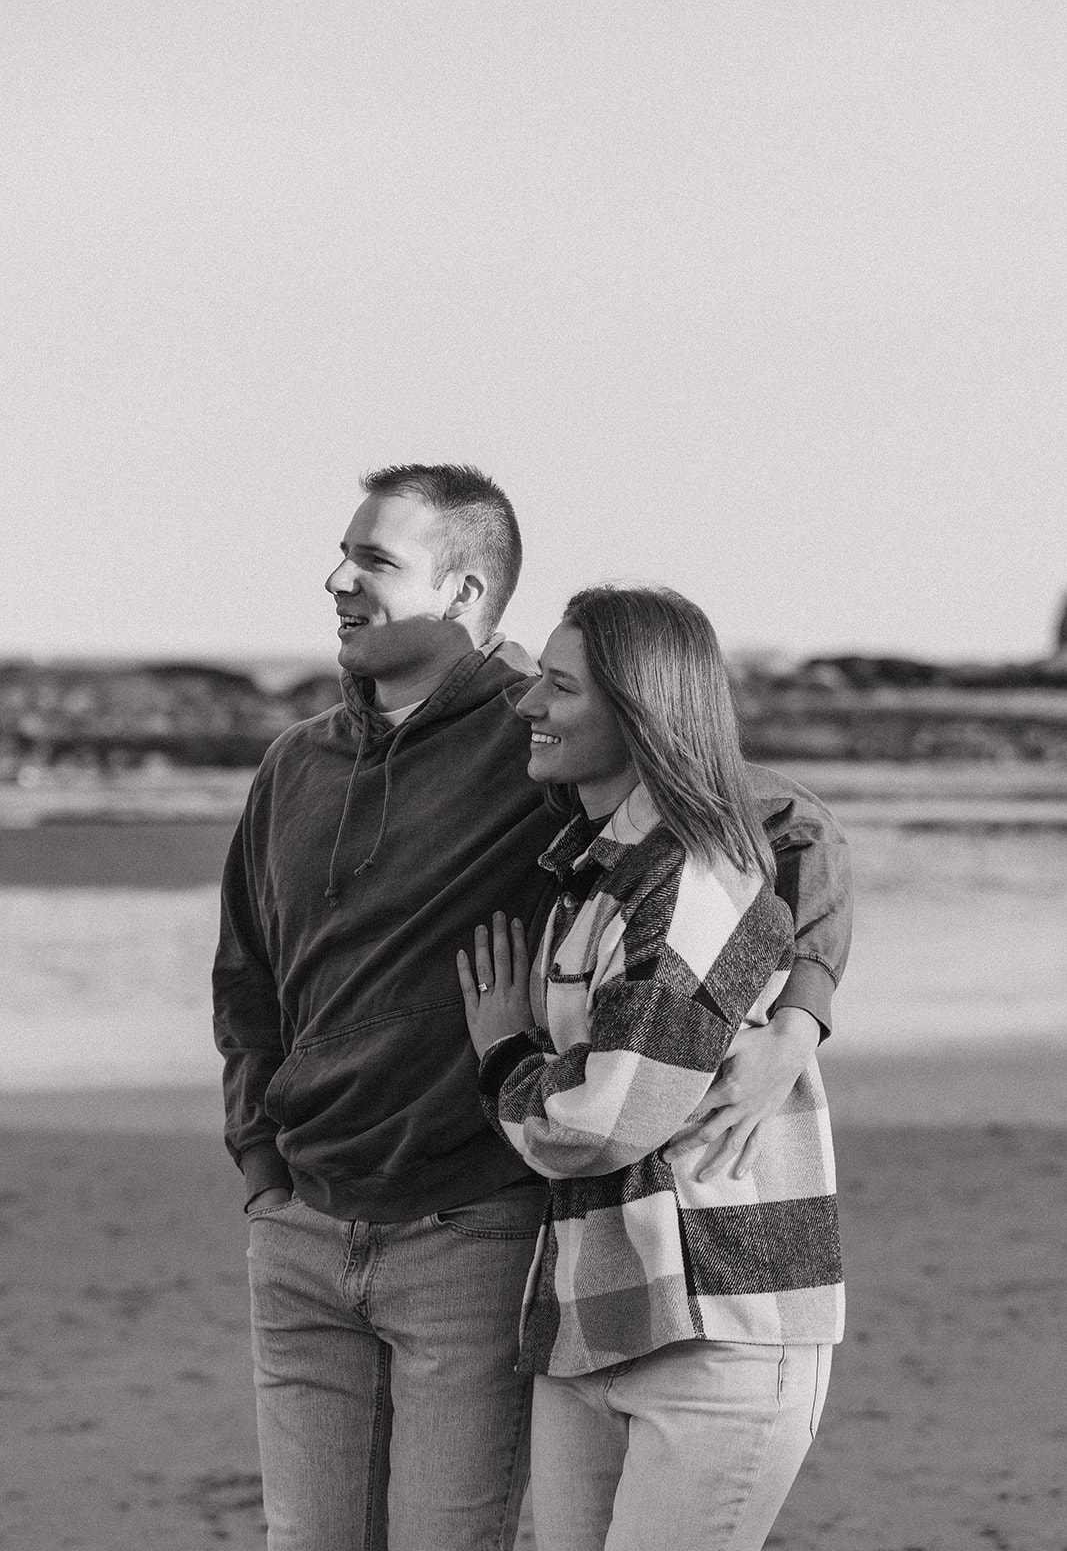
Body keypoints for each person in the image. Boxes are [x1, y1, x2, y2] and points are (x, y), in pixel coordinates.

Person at [212, 464, 852, 1551]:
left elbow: (792, 833)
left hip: (465, 1231)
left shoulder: (540, 729)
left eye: (375, 560)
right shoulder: (293, 763)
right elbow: (246, 978)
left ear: (462, 594)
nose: (337, 580)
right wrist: (260, 1161)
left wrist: (796, 1022)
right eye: (344, 553)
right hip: (302, 1231)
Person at [459, 585, 844, 1551]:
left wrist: (502, 1052)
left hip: (715, 1315)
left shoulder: (690, 879)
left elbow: (600, 1123)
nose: (528, 707)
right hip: (592, 1317)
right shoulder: (596, 871)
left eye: (558, 688)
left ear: (638, 711)